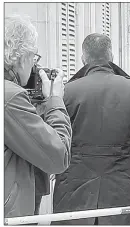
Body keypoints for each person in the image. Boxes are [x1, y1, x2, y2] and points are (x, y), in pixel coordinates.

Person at [52, 33, 130, 225]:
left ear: (83, 59)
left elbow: (56, 138)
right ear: (111, 57)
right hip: (125, 187)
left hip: (74, 190)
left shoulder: (66, 92)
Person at [4, 14, 72, 218]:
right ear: (21, 55)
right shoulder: (10, 97)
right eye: (34, 57)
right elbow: (58, 156)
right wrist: (54, 100)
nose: (35, 66)